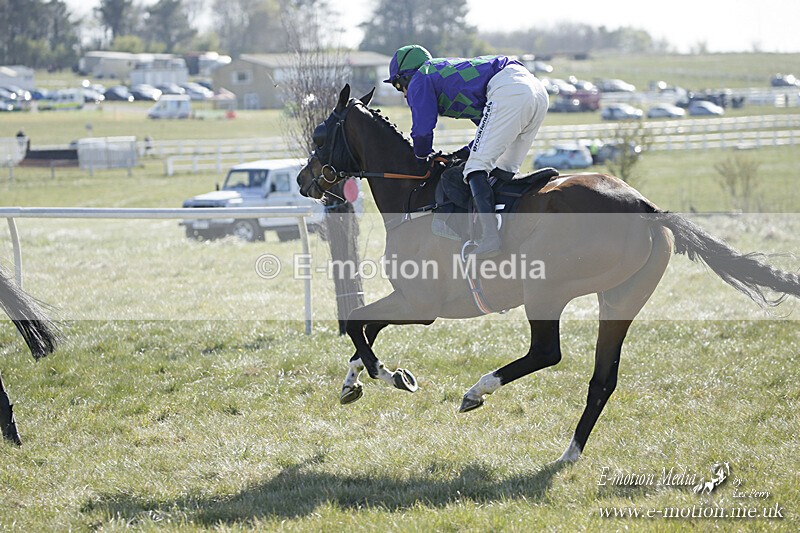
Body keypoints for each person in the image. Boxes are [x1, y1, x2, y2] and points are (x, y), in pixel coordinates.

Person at [384, 45, 549, 258]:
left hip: (511, 88)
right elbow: (489, 133)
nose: (404, 95)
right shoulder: (447, 78)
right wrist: (462, 153)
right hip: (535, 91)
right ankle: (509, 233)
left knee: (476, 167)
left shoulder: (420, 78)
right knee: (501, 170)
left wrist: (420, 157)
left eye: (399, 86)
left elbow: (422, 131)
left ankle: (490, 239)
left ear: (406, 76)